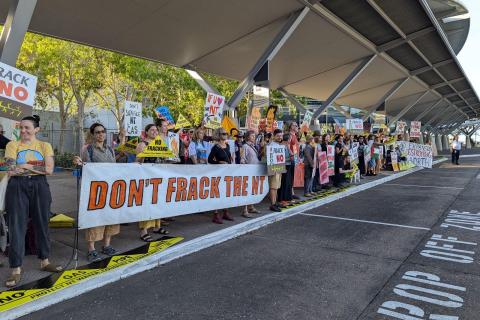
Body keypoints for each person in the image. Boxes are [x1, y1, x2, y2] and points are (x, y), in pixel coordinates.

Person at [4, 115, 62, 288]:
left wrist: (27, 166)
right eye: (21, 128)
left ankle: (44, 261)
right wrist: (37, 166)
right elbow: (10, 169)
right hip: (17, 187)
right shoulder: (12, 145)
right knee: (16, 226)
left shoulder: (45, 145)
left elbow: (49, 170)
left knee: (42, 223)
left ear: (37, 129)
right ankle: (15, 269)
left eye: (27, 128)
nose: (23, 131)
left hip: (40, 186)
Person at [73, 123, 120, 262]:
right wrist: (78, 162)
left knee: (110, 217)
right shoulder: (88, 149)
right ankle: (92, 249)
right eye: (97, 132)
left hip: (111, 189)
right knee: (95, 219)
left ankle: (106, 245)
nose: (100, 134)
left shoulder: (110, 149)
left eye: (103, 131)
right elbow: (84, 166)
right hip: (95, 190)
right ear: (93, 134)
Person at [136, 123, 169, 242]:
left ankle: (157, 226)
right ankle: (143, 231)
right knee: (146, 204)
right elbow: (138, 161)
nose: (155, 132)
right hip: (147, 179)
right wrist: (144, 157)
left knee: (158, 202)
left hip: (159, 178)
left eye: (156, 130)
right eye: (152, 130)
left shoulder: (159, 143)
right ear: (146, 132)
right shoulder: (142, 144)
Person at [208, 127, 234, 224]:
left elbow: (229, 158)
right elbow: (210, 160)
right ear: (219, 135)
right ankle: (216, 214)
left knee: (226, 193)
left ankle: (225, 212)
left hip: (227, 173)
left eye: (226, 133)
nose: (225, 135)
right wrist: (219, 162)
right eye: (223, 133)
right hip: (218, 173)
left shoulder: (227, 146)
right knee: (218, 194)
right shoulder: (215, 147)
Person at [240, 130, 261, 218]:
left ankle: (251, 207)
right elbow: (242, 159)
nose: (254, 137)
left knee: (253, 189)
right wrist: (245, 169)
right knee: (247, 190)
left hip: (254, 170)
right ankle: (244, 210)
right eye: (252, 136)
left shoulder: (254, 146)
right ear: (248, 137)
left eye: (254, 136)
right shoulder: (245, 146)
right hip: (248, 171)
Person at [266, 129, 283, 212]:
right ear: (274, 136)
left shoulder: (279, 145)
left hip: (279, 168)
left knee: (276, 186)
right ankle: (272, 204)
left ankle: (275, 202)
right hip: (274, 169)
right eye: (278, 136)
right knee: (273, 187)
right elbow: (269, 157)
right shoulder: (271, 145)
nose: (280, 137)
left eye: (281, 136)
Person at [278, 133, 293, 206]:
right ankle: (282, 199)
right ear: (288, 139)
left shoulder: (286, 145)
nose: (291, 140)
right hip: (283, 166)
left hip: (288, 165)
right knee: (283, 183)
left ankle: (287, 198)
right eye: (290, 138)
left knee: (287, 182)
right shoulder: (281, 146)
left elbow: (291, 154)